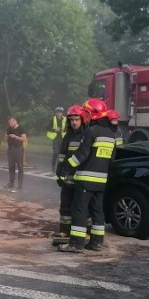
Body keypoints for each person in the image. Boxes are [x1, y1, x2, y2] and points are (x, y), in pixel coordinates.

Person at [58, 98, 115, 253]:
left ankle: (76, 244)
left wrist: (66, 167)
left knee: (79, 210)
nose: (86, 117)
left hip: (85, 180)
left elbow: (81, 155)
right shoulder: (110, 134)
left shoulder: (91, 131)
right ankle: (96, 242)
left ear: (93, 114)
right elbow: (112, 158)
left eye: (87, 114)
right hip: (101, 180)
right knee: (97, 211)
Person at [52, 105, 87, 246]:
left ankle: (86, 230)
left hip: (81, 177)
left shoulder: (86, 135)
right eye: (72, 119)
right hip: (68, 176)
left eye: (77, 119)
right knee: (65, 204)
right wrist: (59, 173)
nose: (74, 122)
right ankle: (65, 230)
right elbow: (62, 156)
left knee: (81, 206)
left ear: (82, 120)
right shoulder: (68, 136)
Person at [4, 116, 27, 192]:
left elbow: (24, 139)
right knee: (11, 167)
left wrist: (15, 137)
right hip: (10, 149)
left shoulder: (21, 128)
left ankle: (20, 185)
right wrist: (6, 136)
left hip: (18, 149)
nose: (10, 124)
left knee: (20, 166)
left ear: (15, 121)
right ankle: (11, 183)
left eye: (11, 122)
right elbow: (5, 139)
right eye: (9, 123)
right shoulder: (9, 129)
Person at [46, 106, 67, 171]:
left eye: (60, 112)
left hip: (63, 138)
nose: (59, 114)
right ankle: (53, 165)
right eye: (58, 112)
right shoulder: (53, 119)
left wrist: (63, 129)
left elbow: (68, 128)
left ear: (62, 113)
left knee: (61, 153)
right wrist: (55, 129)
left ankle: (60, 166)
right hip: (55, 138)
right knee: (56, 152)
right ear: (56, 113)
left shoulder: (65, 119)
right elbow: (48, 128)